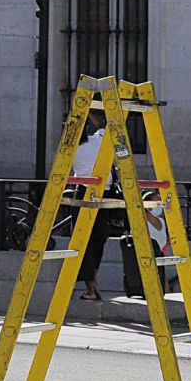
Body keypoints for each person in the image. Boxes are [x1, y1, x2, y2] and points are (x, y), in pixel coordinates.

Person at [73, 110, 112, 301]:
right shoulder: (99, 141)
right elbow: (105, 126)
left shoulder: (71, 147)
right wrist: (87, 111)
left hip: (82, 192)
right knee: (98, 239)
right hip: (103, 192)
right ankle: (92, 282)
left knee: (83, 241)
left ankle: (91, 285)